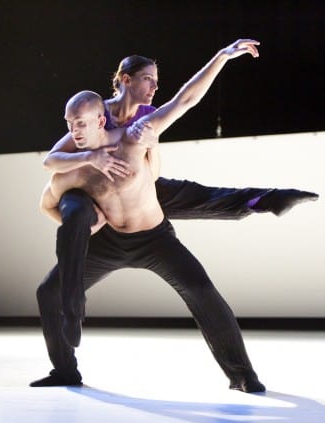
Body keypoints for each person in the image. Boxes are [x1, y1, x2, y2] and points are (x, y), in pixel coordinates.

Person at [31, 39, 281, 393]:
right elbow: (51, 161)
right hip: (110, 231)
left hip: (149, 218)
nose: (154, 85)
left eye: (155, 79)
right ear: (124, 80)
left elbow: (185, 99)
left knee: (200, 284)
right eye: (147, 78)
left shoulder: (140, 126)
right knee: (48, 290)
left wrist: (222, 56)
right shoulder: (89, 118)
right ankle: (65, 368)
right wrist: (91, 159)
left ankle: (242, 375)